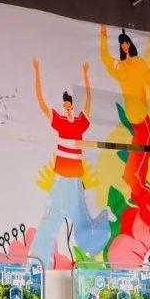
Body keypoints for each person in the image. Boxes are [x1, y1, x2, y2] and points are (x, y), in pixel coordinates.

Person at [30, 58, 110, 265]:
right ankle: (38, 262)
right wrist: (37, 71)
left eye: (69, 105)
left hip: (74, 183)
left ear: (72, 107)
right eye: (64, 105)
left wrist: (86, 77)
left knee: (85, 227)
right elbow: (41, 102)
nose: (67, 108)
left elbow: (89, 104)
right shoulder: (60, 122)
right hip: (60, 182)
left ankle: (100, 229)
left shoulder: (79, 125)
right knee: (48, 225)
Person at [100, 26, 150, 229]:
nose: (124, 46)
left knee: (134, 177)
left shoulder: (139, 63)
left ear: (130, 44)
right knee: (129, 177)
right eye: (121, 44)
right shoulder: (121, 68)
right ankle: (147, 210)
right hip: (136, 124)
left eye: (126, 42)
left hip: (144, 124)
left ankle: (149, 213)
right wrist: (103, 35)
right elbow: (105, 58)